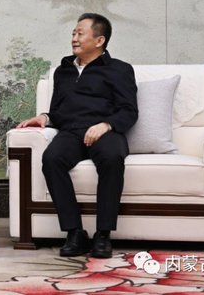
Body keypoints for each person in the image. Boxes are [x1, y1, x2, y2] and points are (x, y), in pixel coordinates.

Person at [17, 13, 138, 258]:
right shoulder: (63, 71)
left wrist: (106, 125)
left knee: (112, 158)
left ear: (99, 40)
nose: (74, 38)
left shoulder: (120, 70)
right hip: (71, 133)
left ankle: (103, 234)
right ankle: (74, 233)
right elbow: (58, 111)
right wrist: (45, 117)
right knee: (51, 159)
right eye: (73, 33)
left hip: (105, 132)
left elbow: (129, 111)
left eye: (80, 33)